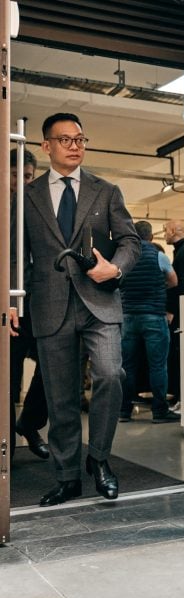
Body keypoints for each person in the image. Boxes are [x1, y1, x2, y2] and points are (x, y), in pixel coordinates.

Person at [10, 112, 141, 506]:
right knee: (60, 396)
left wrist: (114, 267)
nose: (75, 146)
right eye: (65, 140)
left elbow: (131, 241)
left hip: (100, 303)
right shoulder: (27, 197)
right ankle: (66, 476)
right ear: (46, 146)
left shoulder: (105, 190)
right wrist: (13, 299)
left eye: (80, 139)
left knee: (109, 374)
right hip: (49, 305)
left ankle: (98, 459)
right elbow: (17, 255)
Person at [9, 148, 50, 461]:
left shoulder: (37, 205)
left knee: (53, 365)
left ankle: (30, 422)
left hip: (38, 301)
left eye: (27, 176)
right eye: (15, 175)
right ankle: (6, 442)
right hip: (7, 305)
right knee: (7, 376)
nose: (21, 182)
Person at [119, 220, 178, 423]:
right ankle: (160, 412)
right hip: (154, 315)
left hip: (128, 317)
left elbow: (117, 283)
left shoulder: (125, 257)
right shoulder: (159, 256)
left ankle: (124, 411)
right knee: (158, 366)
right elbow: (174, 281)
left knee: (127, 366)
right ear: (151, 237)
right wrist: (157, 287)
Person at [164, 220, 184, 409]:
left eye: (165, 230)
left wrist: (172, 310)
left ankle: (182, 398)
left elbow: (180, 286)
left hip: (181, 313)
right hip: (181, 311)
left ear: (173, 231)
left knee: (180, 355)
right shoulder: (183, 251)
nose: (164, 234)